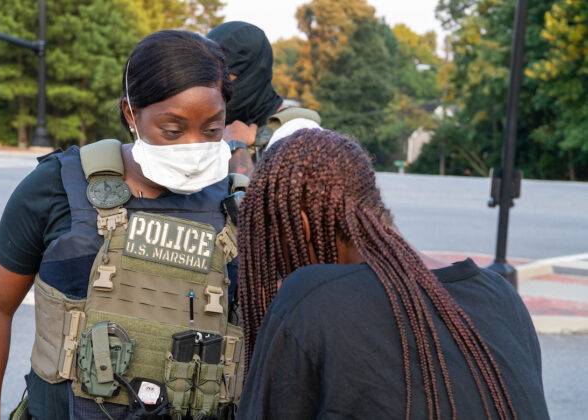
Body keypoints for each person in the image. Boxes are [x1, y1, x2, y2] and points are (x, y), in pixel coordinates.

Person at [0, 30, 246, 420]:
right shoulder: (58, 187)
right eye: (173, 130)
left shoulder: (239, 205)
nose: (192, 145)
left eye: (212, 129)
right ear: (131, 113)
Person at [235, 129, 549, 419]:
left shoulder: (312, 298)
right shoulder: (501, 295)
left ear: (302, 226)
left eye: (274, 254)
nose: (278, 272)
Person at [207, 21, 321, 175]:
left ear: (252, 77)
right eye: (206, 81)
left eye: (225, 81)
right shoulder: (210, 133)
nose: (213, 92)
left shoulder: (301, 138)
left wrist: (237, 147)